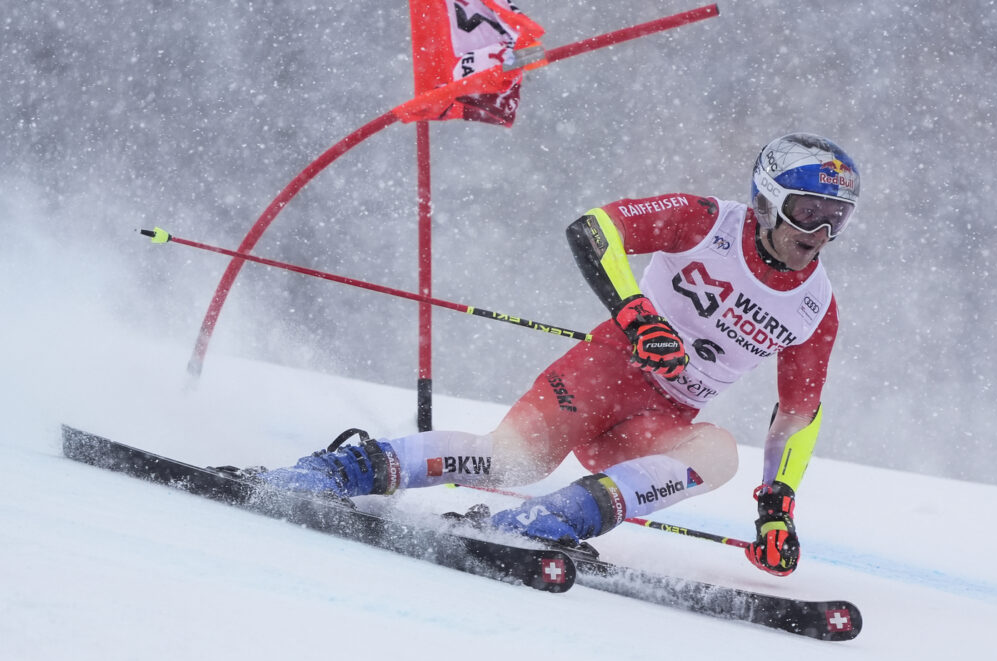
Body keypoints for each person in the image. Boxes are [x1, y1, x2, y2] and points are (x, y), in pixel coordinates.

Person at [243, 132, 860, 577]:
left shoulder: (815, 308)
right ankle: (338, 472)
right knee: (512, 462)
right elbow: (595, 229)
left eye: (837, 219)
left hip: (656, 423)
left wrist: (777, 506)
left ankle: (550, 522)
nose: (819, 234)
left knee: (717, 452)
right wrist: (635, 312)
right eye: (808, 212)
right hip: (606, 371)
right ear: (765, 200)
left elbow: (797, 416)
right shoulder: (703, 221)